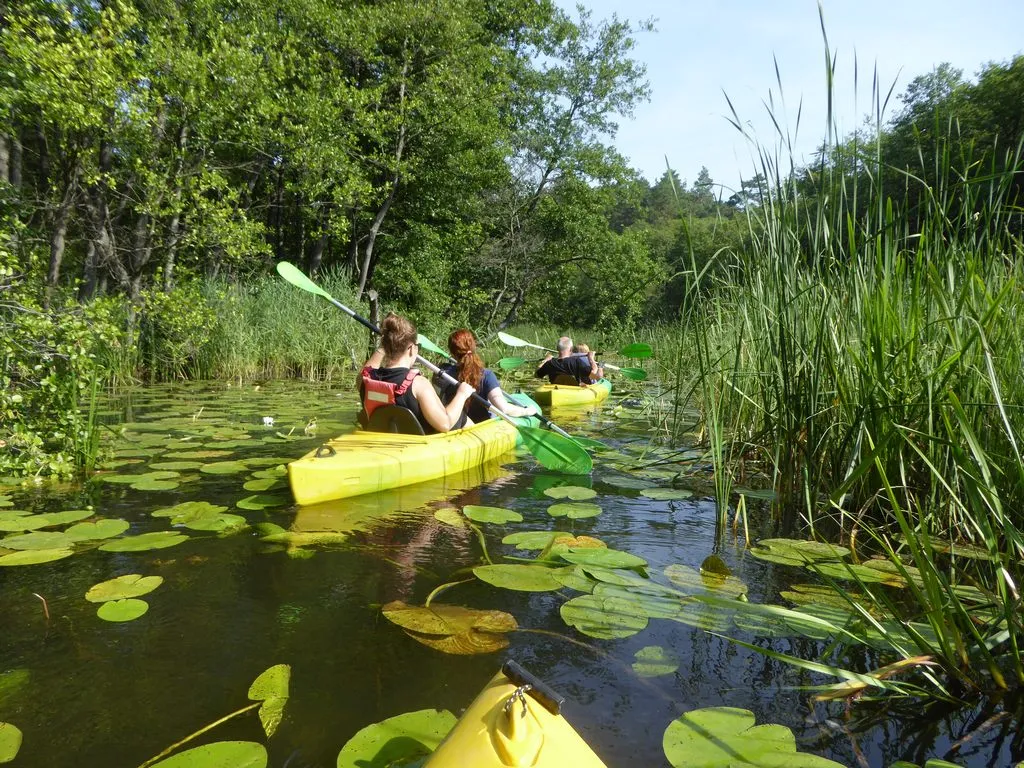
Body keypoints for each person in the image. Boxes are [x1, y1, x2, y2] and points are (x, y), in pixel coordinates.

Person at [360, 313, 474, 434]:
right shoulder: (418, 384)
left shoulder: (366, 379)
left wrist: (386, 343)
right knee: (460, 416)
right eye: (417, 346)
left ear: (385, 345)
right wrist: (462, 394)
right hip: (417, 447)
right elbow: (445, 424)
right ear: (411, 348)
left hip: (381, 440)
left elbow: (367, 368)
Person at [437, 329, 538, 423]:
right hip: (481, 425)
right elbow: (503, 408)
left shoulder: (444, 374)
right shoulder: (487, 375)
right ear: (473, 347)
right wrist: (527, 411)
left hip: (456, 424)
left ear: (451, 353)